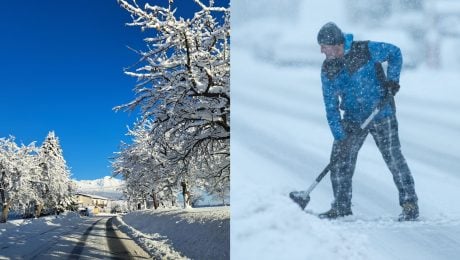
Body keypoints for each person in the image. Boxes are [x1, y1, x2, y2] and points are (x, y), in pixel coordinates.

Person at [316, 22, 419, 221]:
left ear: (336, 44)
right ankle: (341, 206)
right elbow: (330, 106)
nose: (321, 50)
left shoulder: (365, 50)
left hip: (381, 113)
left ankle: (409, 204)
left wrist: (393, 81)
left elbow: (395, 53)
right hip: (353, 119)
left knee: (393, 158)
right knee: (340, 160)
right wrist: (340, 135)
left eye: (324, 46)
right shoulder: (328, 69)